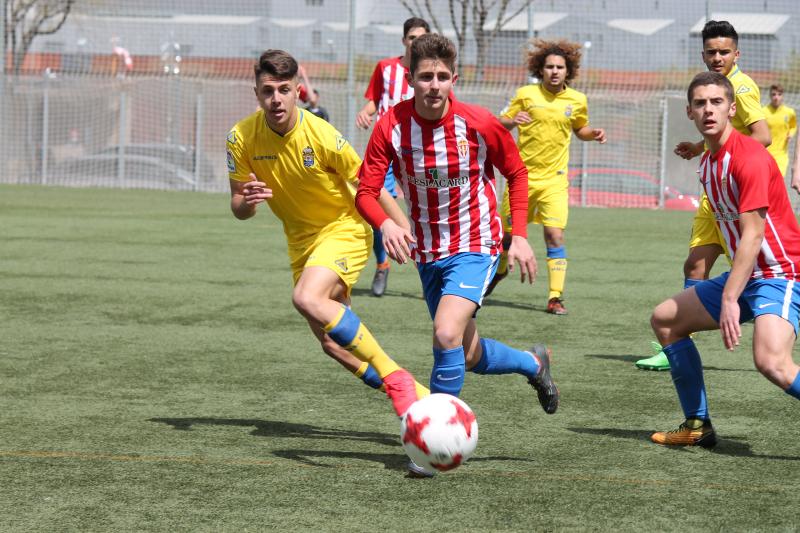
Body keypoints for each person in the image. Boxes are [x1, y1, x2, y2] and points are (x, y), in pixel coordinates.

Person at [356, 33, 559, 454]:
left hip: (476, 243)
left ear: (455, 79)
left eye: (442, 77)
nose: (434, 85)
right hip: (428, 252)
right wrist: (386, 224)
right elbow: (366, 191)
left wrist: (519, 236)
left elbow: (517, 173)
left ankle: (432, 445)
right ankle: (533, 362)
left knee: (446, 332)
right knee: (466, 353)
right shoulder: (391, 125)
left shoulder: (478, 123)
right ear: (410, 79)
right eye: (425, 76)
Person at [226, 49, 428, 421]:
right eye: (268, 90)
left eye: (284, 90)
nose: (276, 99)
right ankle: (422, 401)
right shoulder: (240, 138)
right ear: (256, 93)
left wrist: (402, 227)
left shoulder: (321, 135)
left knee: (306, 297)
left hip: (343, 228)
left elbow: (369, 183)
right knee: (333, 345)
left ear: (297, 91)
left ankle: (395, 376)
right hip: (300, 242)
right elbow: (238, 206)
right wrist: (248, 202)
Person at [649, 71, 800, 447]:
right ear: (689, 111)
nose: (708, 110)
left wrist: (730, 297)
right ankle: (697, 425)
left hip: (781, 273)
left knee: (772, 363)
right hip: (749, 274)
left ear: (732, 109)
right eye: (700, 103)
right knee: (666, 320)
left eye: (717, 102)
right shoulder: (708, 162)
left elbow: (754, 234)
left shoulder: (749, 158)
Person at [637, 20, 771, 371]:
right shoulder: (713, 86)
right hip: (716, 191)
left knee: (760, 268)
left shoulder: (741, 88)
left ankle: (771, 315)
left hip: (736, 193)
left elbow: (762, 136)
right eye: (711, 52)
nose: (717, 57)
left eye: (724, 52)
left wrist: (729, 162)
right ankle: (677, 340)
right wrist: (701, 147)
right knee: (695, 264)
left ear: (736, 54)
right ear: (703, 54)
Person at [486, 39, 606, 315]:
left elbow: (580, 129)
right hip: (521, 179)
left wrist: (594, 133)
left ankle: (555, 297)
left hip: (555, 180)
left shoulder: (577, 100)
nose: (554, 71)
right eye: (550, 67)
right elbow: (499, 123)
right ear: (541, 69)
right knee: (507, 238)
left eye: (559, 67)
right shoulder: (526, 94)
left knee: (554, 236)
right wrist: (512, 120)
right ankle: (500, 271)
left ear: (568, 71)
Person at [356, 17, 431, 297]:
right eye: (412, 37)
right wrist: (366, 112)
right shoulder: (385, 68)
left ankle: (433, 269)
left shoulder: (431, 73)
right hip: (386, 151)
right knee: (378, 206)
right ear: (404, 41)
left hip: (419, 152)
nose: (416, 42)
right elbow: (374, 100)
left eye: (421, 37)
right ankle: (382, 264)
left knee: (428, 215)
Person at [763, 84, 796, 177]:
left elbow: (793, 126)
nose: (776, 97)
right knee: (767, 180)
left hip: (782, 155)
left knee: (778, 179)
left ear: (783, 96)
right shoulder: (763, 112)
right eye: (773, 94)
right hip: (766, 154)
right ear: (770, 96)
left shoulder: (790, 112)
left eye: (779, 94)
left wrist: (791, 134)